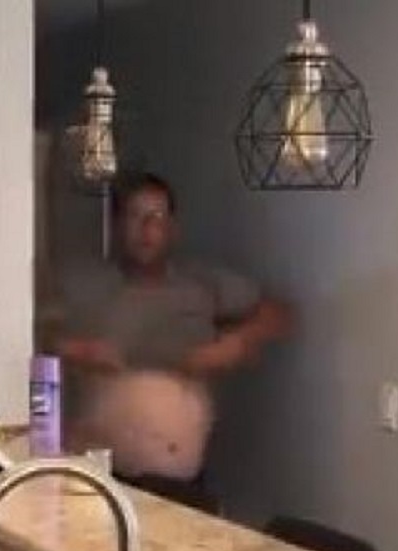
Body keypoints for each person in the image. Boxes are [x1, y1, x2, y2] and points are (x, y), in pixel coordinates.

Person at [54, 172, 290, 489]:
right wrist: (76, 350)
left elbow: (279, 314)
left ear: (172, 228)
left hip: (179, 483)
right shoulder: (84, 285)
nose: (146, 228)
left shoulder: (201, 283)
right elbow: (27, 334)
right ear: (117, 225)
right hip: (95, 478)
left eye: (156, 217)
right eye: (135, 216)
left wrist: (237, 342)